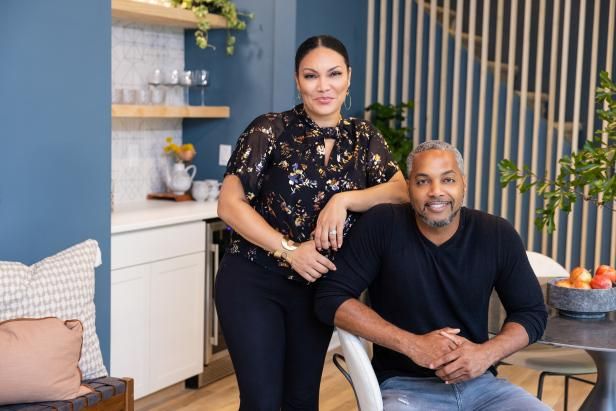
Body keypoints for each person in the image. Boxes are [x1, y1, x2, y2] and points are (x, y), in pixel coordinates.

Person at [215, 34, 409, 410]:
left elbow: (400, 190)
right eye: (311, 76)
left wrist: (345, 200)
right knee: (261, 401)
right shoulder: (269, 130)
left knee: (302, 400)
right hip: (253, 280)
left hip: (316, 289)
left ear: (349, 77)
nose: (324, 86)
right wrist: (288, 250)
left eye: (334, 74)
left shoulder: (364, 138)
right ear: (297, 80)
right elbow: (229, 205)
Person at [314, 140, 551, 410]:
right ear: (409, 188)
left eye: (447, 180)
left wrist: (485, 354)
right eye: (423, 181)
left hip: (481, 385)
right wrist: (413, 345)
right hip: (404, 388)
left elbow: (531, 312)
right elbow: (330, 298)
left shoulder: (496, 233)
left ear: (463, 184)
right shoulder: (382, 225)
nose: (436, 192)